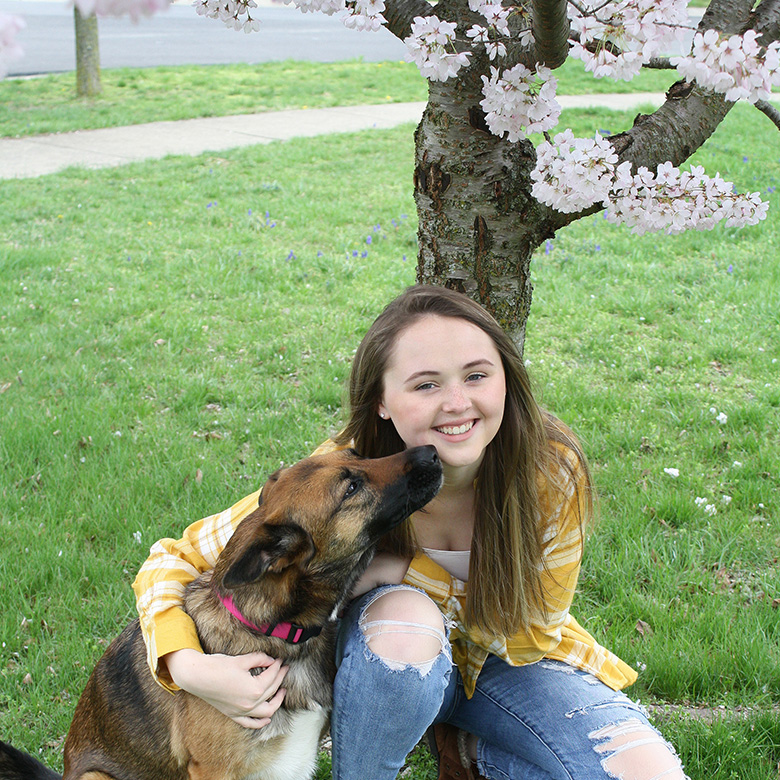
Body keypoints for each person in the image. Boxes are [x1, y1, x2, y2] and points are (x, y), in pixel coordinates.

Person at [133, 285, 689, 780]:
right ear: (381, 399)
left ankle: (471, 749)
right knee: (407, 621)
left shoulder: (548, 471)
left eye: (477, 374)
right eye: (425, 385)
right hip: (387, 664)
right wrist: (186, 666)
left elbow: (533, 633)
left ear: (505, 376)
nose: (456, 403)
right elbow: (172, 559)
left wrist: (404, 568)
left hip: (508, 666)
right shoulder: (344, 479)